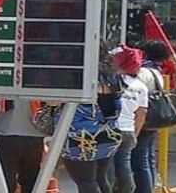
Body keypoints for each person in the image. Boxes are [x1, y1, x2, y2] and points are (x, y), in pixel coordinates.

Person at [61, 52, 124, 193]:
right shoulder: (112, 77)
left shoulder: (77, 76)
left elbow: (55, 103)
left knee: (85, 182)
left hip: (81, 137)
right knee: (100, 178)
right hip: (109, 134)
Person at [132, 41, 168, 193]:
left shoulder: (143, 72)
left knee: (139, 160)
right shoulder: (156, 71)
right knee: (148, 157)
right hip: (155, 119)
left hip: (143, 120)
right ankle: (151, 187)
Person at [112, 47, 149, 193]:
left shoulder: (112, 82)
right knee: (124, 165)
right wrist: (135, 134)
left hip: (111, 129)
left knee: (107, 168)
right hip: (128, 130)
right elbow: (142, 113)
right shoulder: (141, 87)